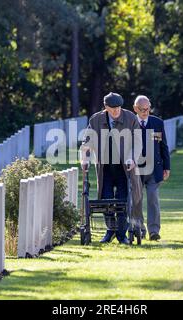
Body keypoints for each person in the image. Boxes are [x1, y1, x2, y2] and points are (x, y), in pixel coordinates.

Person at [80, 92, 144, 244]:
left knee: (123, 200)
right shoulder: (96, 120)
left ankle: (121, 234)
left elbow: (138, 142)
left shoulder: (130, 118)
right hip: (106, 167)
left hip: (125, 167)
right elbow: (87, 142)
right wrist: (85, 159)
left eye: (119, 108)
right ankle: (110, 231)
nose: (116, 112)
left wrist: (133, 158)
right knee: (105, 199)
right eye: (113, 109)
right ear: (106, 107)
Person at [133, 95, 170, 241]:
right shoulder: (130, 122)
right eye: (142, 109)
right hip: (135, 169)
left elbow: (163, 146)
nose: (145, 112)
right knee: (136, 200)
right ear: (135, 108)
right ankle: (139, 229)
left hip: (154, 169)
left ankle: (154, 231)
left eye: (148, 109)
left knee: (153, 198)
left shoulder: (157, 122)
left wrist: (167, 167)